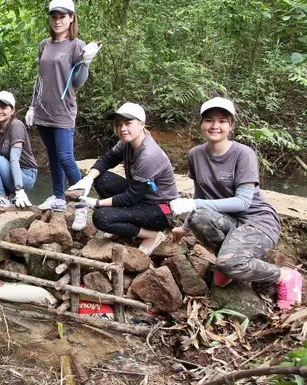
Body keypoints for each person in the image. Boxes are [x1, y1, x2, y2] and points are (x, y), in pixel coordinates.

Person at [169, 97, 301, 310]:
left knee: (228, 263)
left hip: (257, 221)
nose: (215, 126)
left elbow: (243, 202)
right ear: (202, 124)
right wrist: (185, 227)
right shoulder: (196, 154)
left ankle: (284, 276)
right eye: (209, 120)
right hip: (229, 221)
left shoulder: (243, 154)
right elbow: (201, 193)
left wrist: (194, 204)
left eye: (222, 121)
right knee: (199, 216)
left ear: (231, 125)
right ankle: (229, 258)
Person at [25, 0, 100, 226]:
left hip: (63, 111)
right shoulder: (44, 45)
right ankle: (58, 197)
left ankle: (81, 205)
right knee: (53, 157)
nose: (58, 21)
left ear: (71, 19)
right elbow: (39, 80)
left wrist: (85, 63)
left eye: (63, 16)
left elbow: (77, 82)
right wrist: (32, 106)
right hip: (43, 111)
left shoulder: (77, 45)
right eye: (54, 16)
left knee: (66, 157)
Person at [68, 103, 177, 253]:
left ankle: (151, 235)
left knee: (101, 218)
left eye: (128, 123)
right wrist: (88, 179)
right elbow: (106, 160)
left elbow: (130, 198)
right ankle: (124, 224)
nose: (122, 129)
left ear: (141, 124)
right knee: (101, 178)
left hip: (160, 210)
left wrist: (97, 203)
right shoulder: (127, 143)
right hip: (140, 197)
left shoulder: (149, 155)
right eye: (119, 125)